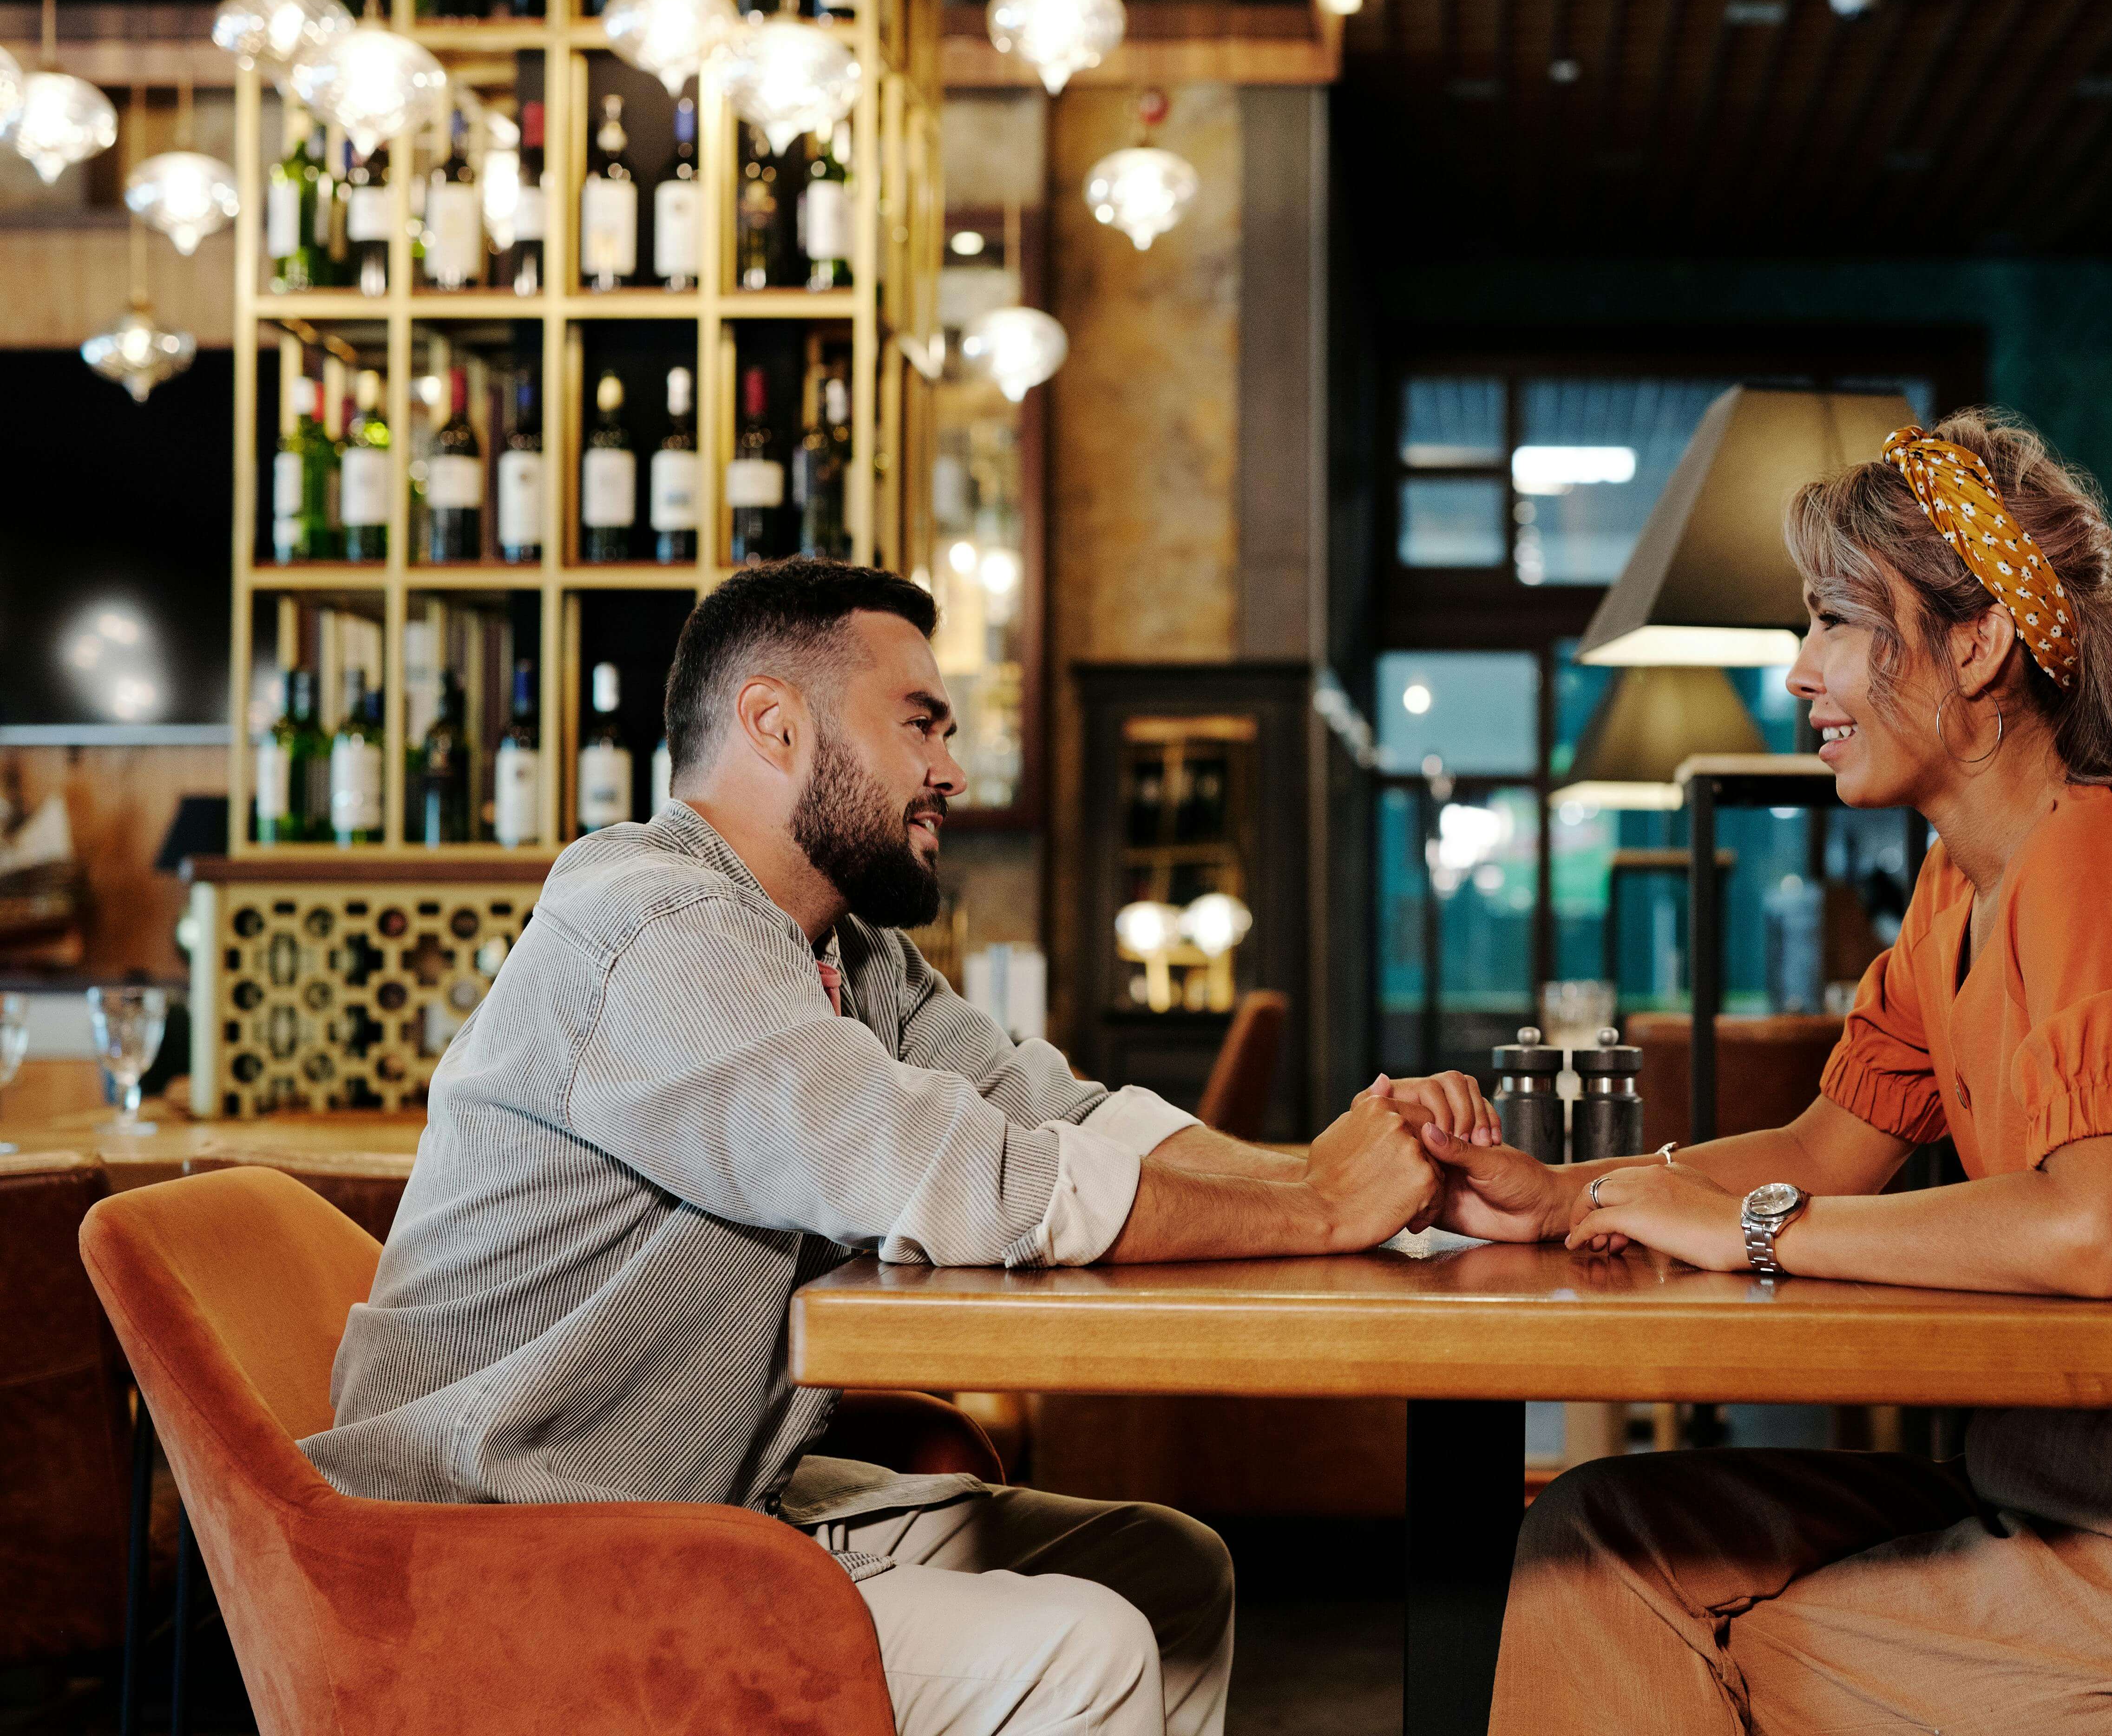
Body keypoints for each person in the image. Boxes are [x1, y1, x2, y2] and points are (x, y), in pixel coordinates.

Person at [307, 560, 1489, 1736]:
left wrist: (1368, 1183)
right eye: (920, 722)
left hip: (696, 1506)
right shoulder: (654, 925)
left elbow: (1059, 1113)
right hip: (487, 1557)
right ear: (774, 722)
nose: (950, 771)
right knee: (1088, 1651)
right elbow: (969, 1177)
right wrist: (1324, 1211)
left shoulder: (846, 953)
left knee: (1167, 1570)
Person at [1423, 412, 2112, 1734]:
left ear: (1979, 641)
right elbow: (1823, 1151)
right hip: (2053, 1480)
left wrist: (1749, 1234)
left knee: (1711, 1646)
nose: (1798, 673)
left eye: (1834, 622)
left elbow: (2096, 1226)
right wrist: (1561, 1196)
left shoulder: (2111, 859)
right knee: (1602, 1536)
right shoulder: (1962, 886)